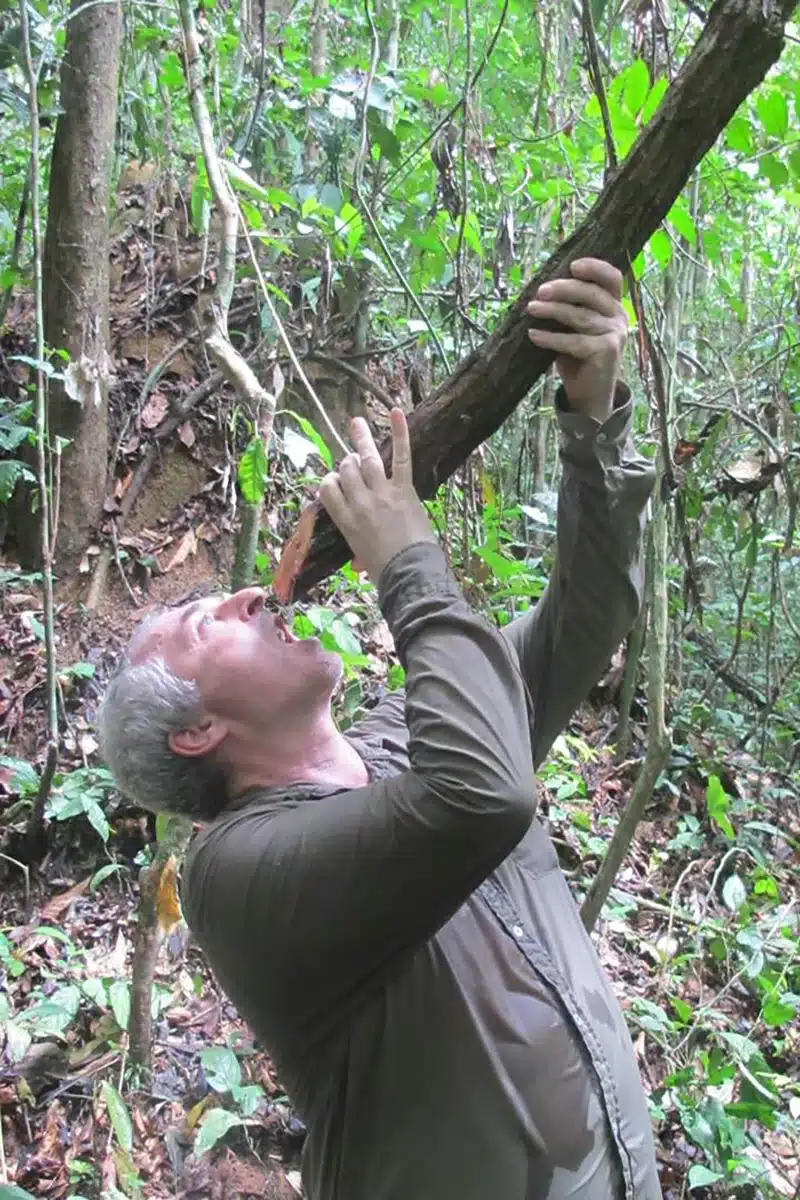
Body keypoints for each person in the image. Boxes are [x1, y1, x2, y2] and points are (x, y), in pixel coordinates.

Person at [98, 258, 661, 1199]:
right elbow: (481, 796)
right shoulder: (233, 875)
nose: (244, 595)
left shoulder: (402, 736)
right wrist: (407, 563)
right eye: (204, 627)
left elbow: (583, 625)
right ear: (195, 733)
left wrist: (592, 424)